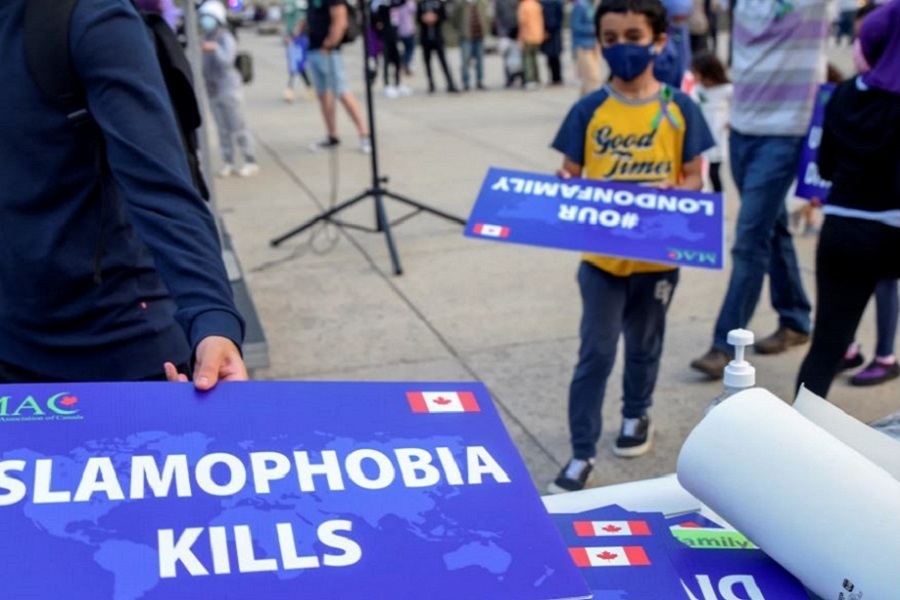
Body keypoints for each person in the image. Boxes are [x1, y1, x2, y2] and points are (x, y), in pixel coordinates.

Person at [0, 0, 247, 386]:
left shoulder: (89, 15)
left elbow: (161, 187)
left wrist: (212, 318)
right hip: (11, 346)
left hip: (117, 347)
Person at [548, 0, 714, 493]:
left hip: (657, 259)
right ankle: (581, 451)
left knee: (644, 346)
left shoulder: (680, 108)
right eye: (611, 38)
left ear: (659, 42)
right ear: (599, 43)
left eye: (634, 36)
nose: (622, 47)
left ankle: (636, 415)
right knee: (595, 354)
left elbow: (694, 175)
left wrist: (677, 193)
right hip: (601, 262)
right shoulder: (588, 109)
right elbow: (570, 174)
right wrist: (566, 185)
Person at [690, 0, 829, 378]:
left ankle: (725, 344)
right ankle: (795, 318)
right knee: (773, 226)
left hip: (784, 134)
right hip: (741, 130)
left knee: (749, 238)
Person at [797, 1, 900, 396]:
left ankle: (797, 427)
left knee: (826, 346)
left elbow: (824, 167)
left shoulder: (842, 94)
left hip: (843, 230)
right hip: (892, 229)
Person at [199, 1, 260, 178]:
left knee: (238, 126)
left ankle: (250, 160)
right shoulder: (206, 37)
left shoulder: (225, 37)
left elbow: (227, 61)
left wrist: (215, 49)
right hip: (213, 89)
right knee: (222, 129)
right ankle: (228, 161)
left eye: (207, 17)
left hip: (228, 88)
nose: (204, 21)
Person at [305, 0, 373, 152]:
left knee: (342, 91)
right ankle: (332, 135)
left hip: (329, 51)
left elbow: (340, 20)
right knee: (323, 94)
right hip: (313, 48)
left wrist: (329, 44)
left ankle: (364, 135)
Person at [690, 51, 731, 192]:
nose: (694, 76)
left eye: (696, 73)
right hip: (701, 135)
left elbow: (738, 108)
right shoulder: (698, 90)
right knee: (700, 173)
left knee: (714, 173)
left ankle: (719, 200)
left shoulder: (727, 90)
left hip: (718, 137)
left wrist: (730, 121)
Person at [418, 0, 459, 92]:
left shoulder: (439, 3)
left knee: (444, 62)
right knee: (427, 63)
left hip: (437, 38)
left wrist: (436, 17)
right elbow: (418, 18)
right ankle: (431, 84)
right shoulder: (421, 4)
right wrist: (424, 18)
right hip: (426, 39)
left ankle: (450, 83)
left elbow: (444, 17)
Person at [281, 0, 313, 102]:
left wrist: (293, 36)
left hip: (300, 41)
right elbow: (286, 23)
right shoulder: (288, 4)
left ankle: (290, 90)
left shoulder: (299, 6)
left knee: (296, 65)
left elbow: (301, 22)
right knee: (297, 67)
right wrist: (287, 36)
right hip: (293, 41)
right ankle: (309, 88)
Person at [456, 0, 491, 90]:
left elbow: (485, 18)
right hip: (466, 38)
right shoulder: (461, 4)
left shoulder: (481, 3)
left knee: (480, 61)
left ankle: (480, 81)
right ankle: (466, 82)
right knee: (465, 61)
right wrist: (461, 30)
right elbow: (455, 19)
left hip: (479, 37)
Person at [571, 0, 603, 96]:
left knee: (590, 78)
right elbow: (575, 26)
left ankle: (583, 101)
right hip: (583, 45)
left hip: (594, 45)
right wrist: (591, 29)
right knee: (592, 77)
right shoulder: (580, 6)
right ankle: (592, 101)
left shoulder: (592, 6)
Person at [518, 0, 545, 88]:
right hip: (537, 35)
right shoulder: (536, 4)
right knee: (534, 59)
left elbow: (522, 23)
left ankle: (530, 79)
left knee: (528, 59)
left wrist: (520, 38)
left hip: (528, 36)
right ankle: (536, 79)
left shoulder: (524, 6)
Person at [540, 0, 564, 84]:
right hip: (555, 32)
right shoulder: (557, 3)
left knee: (550, 57)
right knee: (555, 57)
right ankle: (557, 77)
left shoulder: (543, 3)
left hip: (548, 32)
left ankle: (555, 77)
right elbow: (560, 16)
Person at [396, 0, 418, 75]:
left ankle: (403, 63)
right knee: (409, 49)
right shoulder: (409, 3)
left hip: (400, 31)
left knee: (406, 49)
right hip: (408, 31)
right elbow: (415, 11)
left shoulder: (398, 4)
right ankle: (405, 63)